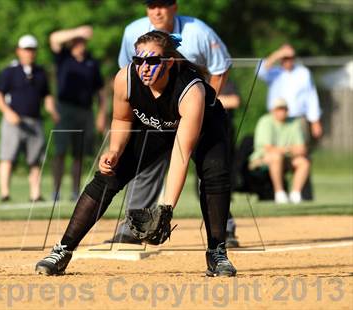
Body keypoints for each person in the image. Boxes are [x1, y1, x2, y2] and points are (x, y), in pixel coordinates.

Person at [35, 31, 237, 277]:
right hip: (156, 126)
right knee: (108, 175)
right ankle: (62, 250)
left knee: (215, 177)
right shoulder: (126, 78)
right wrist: (115, 150)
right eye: (138, 60)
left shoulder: (190, 91)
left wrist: (166, 208)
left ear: (169, 62)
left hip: (207, 127)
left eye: (152, 61)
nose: (144, 67)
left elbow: (181, 155)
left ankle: (217, 253)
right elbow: (121, 118)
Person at [111, 0, 232, 245]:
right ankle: (133, 225)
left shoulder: (197, 31)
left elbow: (220, 67)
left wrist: (205, 106)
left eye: (163, 5)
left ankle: (224, 227)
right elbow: (129, 74)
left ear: (174, 7)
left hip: (192, 110)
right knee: (144, 165)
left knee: (211, 170)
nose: (156, 11)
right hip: (155, 109)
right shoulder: (133, 32)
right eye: (151, 5)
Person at [0, 34, 59, 202]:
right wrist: (7, 112)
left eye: (32, 49)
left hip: (35, 121)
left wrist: (52, 110)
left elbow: (47, 95)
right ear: (19, 51)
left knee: (35, 159)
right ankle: (4, 193)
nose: (29, 53)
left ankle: (35, 194)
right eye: (26, 49)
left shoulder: (40, 72)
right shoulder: (10, 71)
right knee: (7, 157)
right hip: (13, 121)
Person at [49, 26, 107, 202]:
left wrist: (101, 114)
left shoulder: (91, 62)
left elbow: (101, 92)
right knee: (60, 151)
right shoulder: (64, 58)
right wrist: (78, 32)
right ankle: (56, 191)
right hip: (65, 110)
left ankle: (75, 191)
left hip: (85, 111)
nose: (80, 44)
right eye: (78, 41)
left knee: (79, 154)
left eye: (83, 41)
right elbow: (54, 38)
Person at [249, 98, 310, 204]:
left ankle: (295, 194)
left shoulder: (294, 123)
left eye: (284, 109)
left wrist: (285, 150)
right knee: (276, 157)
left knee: (303, 162)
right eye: (279, 109)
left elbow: (302, 148)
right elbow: (268, 148)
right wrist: (289, 149)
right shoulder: (266, 121)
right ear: (273, 110)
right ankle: (279, 193)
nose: (282, 112)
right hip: (261, 158)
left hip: (286, 158)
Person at [258, 43, 323, 140]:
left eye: (290, 57)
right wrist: (279, 54)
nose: (287, 60)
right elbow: (260, 71)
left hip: (297, 119)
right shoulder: (274, 73)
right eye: (285, 57)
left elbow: (311, 98)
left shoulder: (303, 73)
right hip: (276, 119)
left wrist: (315, 121)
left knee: (300, 150)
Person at [218, 80, 241, 247]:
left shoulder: (224, 80)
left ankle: (227, 227)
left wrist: (206, 98)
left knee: (217, 179)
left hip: (220, 133)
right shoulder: (194, 77)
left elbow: (234, 101)